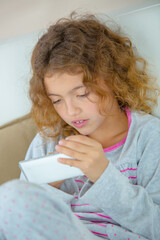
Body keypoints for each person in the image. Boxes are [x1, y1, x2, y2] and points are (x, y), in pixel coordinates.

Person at [0, 12, 160, 240]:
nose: (70, 111)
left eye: (82, 94)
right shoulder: (48, 140)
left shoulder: (149, 138)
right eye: (57, 100)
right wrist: (48, 187)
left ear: (113, 78)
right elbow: (19, 217)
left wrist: (103, 176)